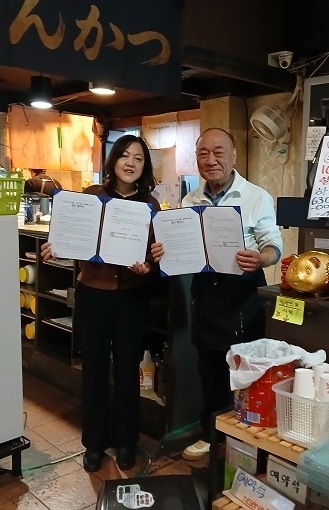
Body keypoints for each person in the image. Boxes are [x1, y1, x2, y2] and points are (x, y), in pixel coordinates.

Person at [151, 127, 283, 461]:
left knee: (244, 371)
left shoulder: (255, 197)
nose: (211, 160)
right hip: (205, 294)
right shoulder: (190, 201)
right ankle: (212, 436)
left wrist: (261, 258)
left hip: (242, 294)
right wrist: (164, 252)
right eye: (203, 153)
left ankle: (245, 442)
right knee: (209, 369)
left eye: (218, 152)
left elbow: (273, 245)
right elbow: (182, 249)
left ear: (233, 155)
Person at [41, 135, 159, 472]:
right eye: (124, 155)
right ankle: (94, 443)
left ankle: (126, 441)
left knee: (127, 371)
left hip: (131, 298)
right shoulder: (91, 197)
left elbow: (154, 255)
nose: (130, 163)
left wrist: (148, 267)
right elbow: (70, 233)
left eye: (138, 158)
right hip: (93, 295)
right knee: (93, 369)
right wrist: (56, 245)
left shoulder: (150, 205)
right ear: (113, 161)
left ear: (144, 166)